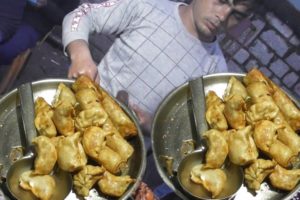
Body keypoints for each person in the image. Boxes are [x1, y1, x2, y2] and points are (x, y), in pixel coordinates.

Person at [62, 0, 260, 199]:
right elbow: (84, 15)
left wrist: (153, 126)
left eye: (237, 14)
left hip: (115, 166)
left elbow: (189, 140)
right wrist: (80, 54)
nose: (223, 16)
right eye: (222, 1)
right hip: (70, 131)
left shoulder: (215, 73)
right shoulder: (148, 7)